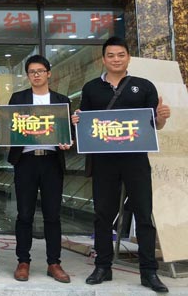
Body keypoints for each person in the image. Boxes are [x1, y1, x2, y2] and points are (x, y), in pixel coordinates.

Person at [76, 36, 170, 293]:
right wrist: (77, 121)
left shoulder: (144, 86)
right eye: (111, 55)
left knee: (144, 214)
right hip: (104, 160)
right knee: (103, 214)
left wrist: (161, 118)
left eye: (120, 55)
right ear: (103, 59)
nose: (116, 59)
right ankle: (103, 266)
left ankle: (148, 272)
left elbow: (154, 125)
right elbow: (85, 122)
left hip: (135, 159)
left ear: (128, 57)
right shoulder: (91, 88)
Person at [0, 55, 73, 283]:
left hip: (51, 162)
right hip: (26, 161)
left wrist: (69, 141)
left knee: (52, 215)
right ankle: (23, 261)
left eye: (40, 71)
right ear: (28, 75)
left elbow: (68, 132)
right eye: (32, 72)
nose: (36, 75)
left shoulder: (61, 100)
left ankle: (54, 263)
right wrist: (1, 134)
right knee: (24, 214)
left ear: (49, 73)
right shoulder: (19, 98)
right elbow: (9, 127)